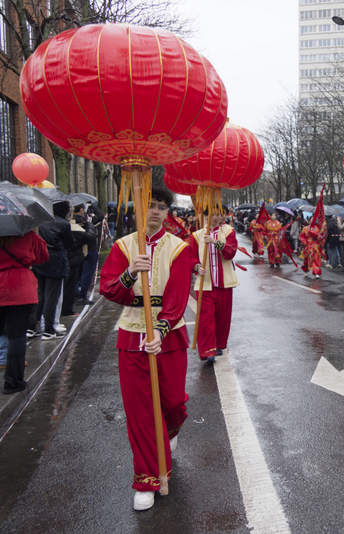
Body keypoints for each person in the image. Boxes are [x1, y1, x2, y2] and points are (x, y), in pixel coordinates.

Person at [99, 186, 194, 511]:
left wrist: (164, 328)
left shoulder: (179, 248)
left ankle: (170, 429)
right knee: (139, 410)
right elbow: (107, 288)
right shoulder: (123, 246)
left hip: (168, 335)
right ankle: (147, 478)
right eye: (150, 206)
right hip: (132, 333)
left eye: (161, 207)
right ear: (140, 209)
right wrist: (129, 274)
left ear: (168, 213)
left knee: (172, 402)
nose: (155, 212)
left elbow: (179, 296)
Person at [188, 210, 239, 362]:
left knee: (222, 318)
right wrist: (196, 267)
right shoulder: (196, 235)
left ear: (223, 216)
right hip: (205, 284)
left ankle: (218, 345)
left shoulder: (229, 231)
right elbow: (191, 257)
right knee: (205, 319)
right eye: (211, 214)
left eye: (218, 214)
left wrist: (215, 242)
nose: (215, 217)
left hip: (224, 283)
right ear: (204, 216)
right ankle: (207, 350)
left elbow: (230, 252)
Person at [1, 231, 48, 394]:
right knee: (17, 336)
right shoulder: (27, 234)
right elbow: (43, 256)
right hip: (20, 289)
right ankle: (13, 381)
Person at [29, 201, 73, 340]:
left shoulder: (41, 222)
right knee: (52, 296)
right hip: (55, 261)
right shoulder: (64, 224)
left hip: (40, 260)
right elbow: (69, 243)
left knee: (39, 295)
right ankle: (49, 329)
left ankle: (31, 327)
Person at [62, 207, 90, 316]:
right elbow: (87, 237)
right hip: (72, 259)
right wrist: (88, 226)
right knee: (69, 286)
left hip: (69, 258)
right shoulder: (67, 226)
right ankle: (66, 309)